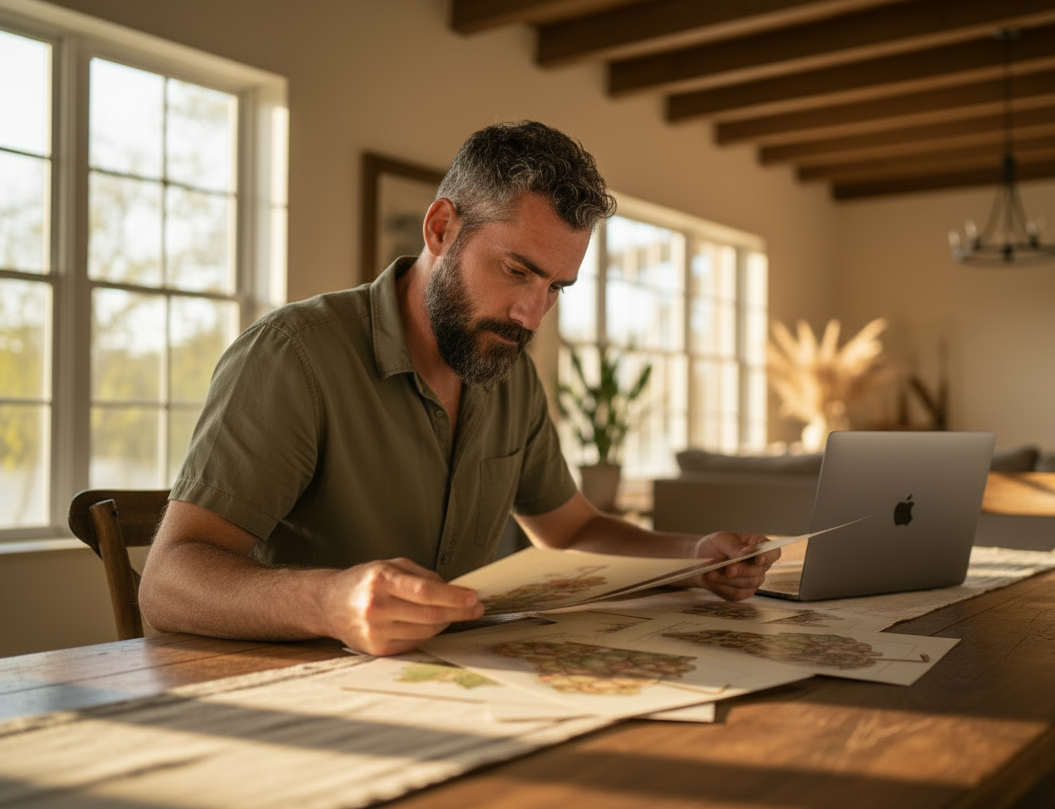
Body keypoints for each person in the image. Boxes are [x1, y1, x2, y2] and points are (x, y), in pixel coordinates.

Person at [140, 120, 779, 657]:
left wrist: (694, 555)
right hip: (297, 691)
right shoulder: (295, 355)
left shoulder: (506, 369)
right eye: (516, 270)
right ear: (442, 228)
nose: (532, 316)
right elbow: (166, 583)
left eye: (556, 288)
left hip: (461, 681)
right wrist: (331, 601)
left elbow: (574, 534)